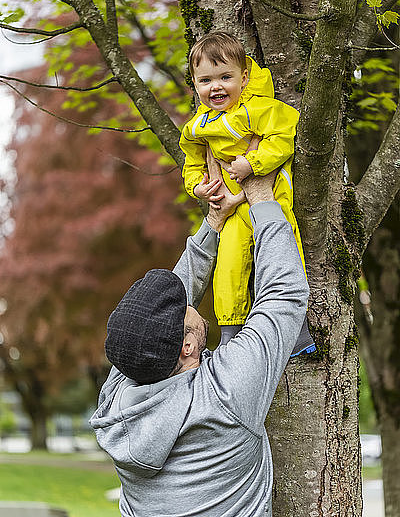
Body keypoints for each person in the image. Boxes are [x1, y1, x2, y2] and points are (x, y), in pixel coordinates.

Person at [90, 150, 310, 517]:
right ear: (188, 346)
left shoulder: (119, 393)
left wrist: (214, 222)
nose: (188, 300)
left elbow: (170, 305)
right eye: (183, 309)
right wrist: (261, 198)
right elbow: (284, 294)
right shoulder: (224, 394)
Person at [179, 31, 314, 354]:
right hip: (230, 210)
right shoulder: (199, 125)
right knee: (228, 267)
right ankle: (231, 333)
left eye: (225, 77)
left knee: (279, 256)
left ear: (244, 77)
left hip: (269, 199)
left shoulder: (259, 109)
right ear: (195, 85)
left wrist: (251, 164)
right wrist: (198, 187)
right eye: (206, 80)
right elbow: (192, 161)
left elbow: (283, 136)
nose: (216, 87)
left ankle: (297, 332)